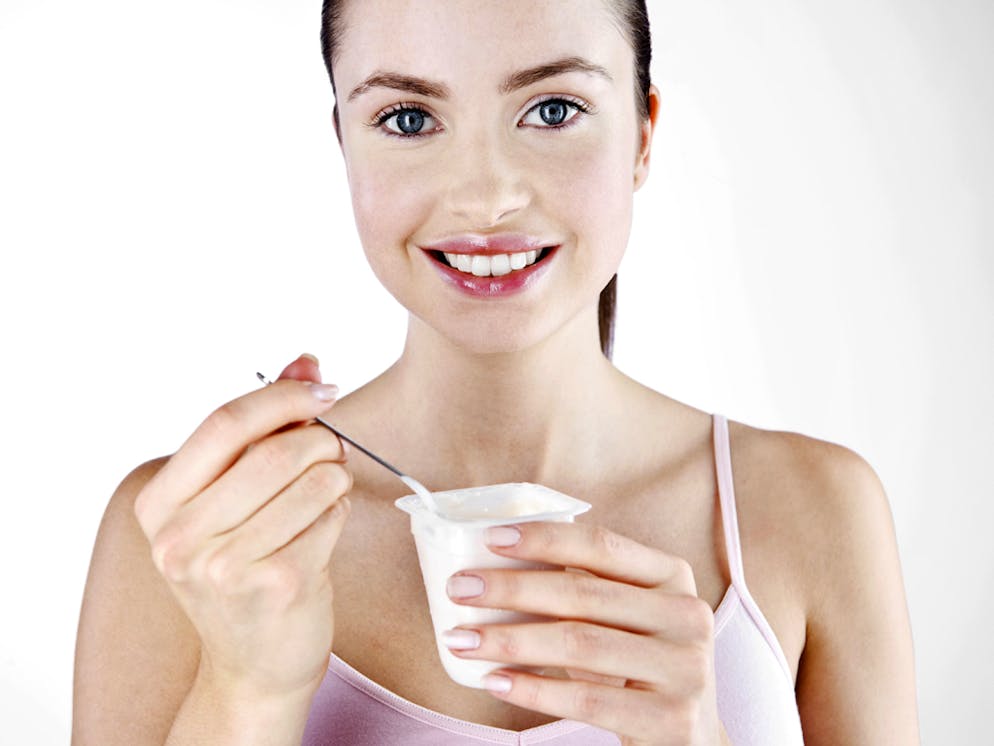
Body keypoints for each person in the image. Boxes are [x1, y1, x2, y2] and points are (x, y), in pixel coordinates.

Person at [72, 1, 920, 744]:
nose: (484, 197)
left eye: (553, 109)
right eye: (408, 118)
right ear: (345, 145)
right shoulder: (194, 540)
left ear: (642, 135)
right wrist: (245, 692)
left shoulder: (816, 512)